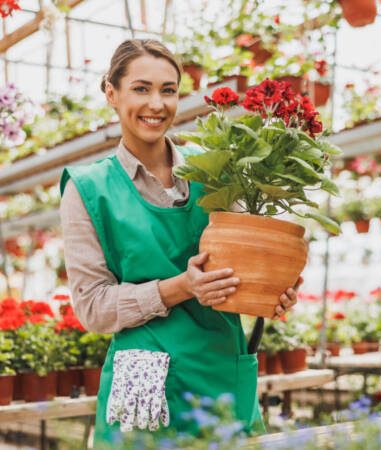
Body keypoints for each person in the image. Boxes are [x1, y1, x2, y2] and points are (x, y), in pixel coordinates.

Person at [59, 39, 300, 444]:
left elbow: (240, 271)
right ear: (111, 93)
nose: (156, 104)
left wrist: (273, 289)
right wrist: (182, 287)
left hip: (221, 368)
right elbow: (93, 308)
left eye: (168, 90)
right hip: (143, 377)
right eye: (141, 88)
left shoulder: (218, 168)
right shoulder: (88, 188)